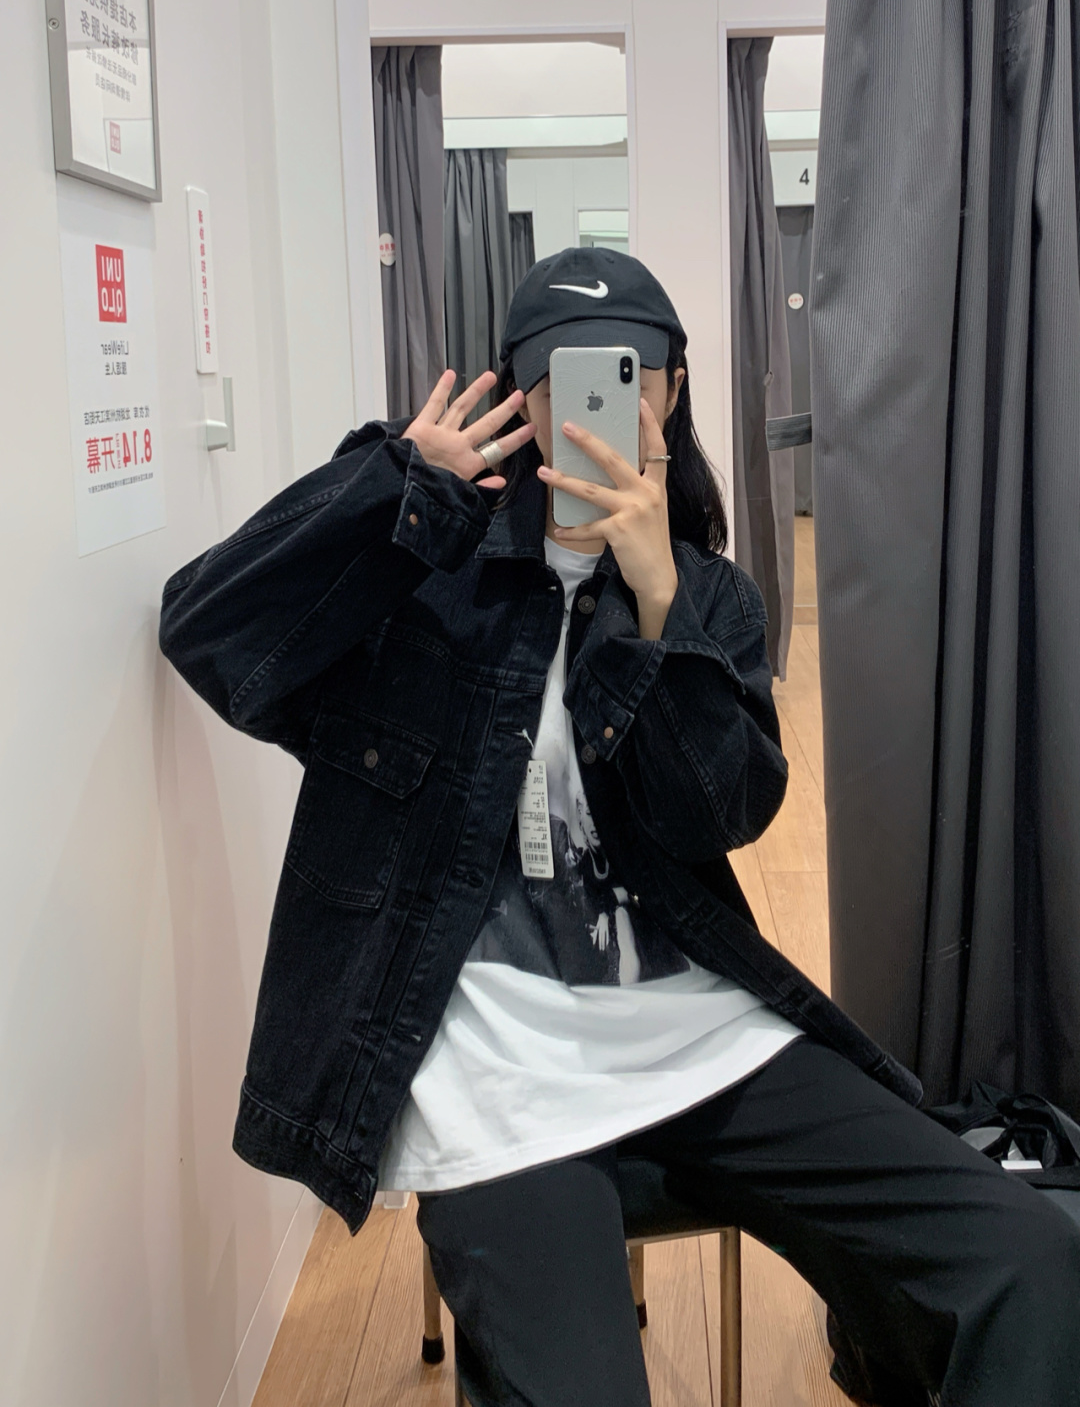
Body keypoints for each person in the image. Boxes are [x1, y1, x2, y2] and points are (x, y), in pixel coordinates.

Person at [158, 248, 1080, 1407]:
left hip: (694, 1035)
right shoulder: (426, 574)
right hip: (494, 1068)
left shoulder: (707, 594)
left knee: (1028, 1259)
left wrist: (656, 604)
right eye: (566, 381)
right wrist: (399, 484)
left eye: (630, 374)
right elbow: (211, 637)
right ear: (519, 397)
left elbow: (720, 815)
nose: (600, 404)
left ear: (673, 391)